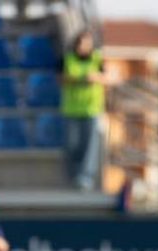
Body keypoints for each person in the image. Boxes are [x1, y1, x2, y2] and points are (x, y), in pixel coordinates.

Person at [61, 29, 106, 192]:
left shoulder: (97, 59)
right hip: (72, 110)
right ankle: (72, 178)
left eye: (87, 43)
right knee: (73, 146)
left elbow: (107, 77)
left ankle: (85, 179)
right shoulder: (68, 59)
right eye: (81, 43)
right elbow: (61, 79)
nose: (84, 46)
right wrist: (79, 78)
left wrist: (95, 78)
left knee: (90, 147)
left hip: (91, 109)